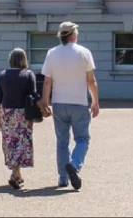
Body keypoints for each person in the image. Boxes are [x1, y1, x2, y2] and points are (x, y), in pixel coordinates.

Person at [39, 21, 99, 191]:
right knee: (82, 139)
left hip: (59, 102)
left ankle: (62, 178)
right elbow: (91, 81)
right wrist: (95, 101)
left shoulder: (52, 53)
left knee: (62, 141)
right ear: (73, 35)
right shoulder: (84, 53)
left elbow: (47, 82)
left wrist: (45, 102)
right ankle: (74, 164)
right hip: (79, 102)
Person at [0, 47, 42, 190]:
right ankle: (16, 174)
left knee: (10, 142)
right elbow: (34, 94)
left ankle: (16, 173)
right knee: (23, 141)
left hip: (7, 113)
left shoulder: (3, 75)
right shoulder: (28, 74)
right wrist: (44, 108)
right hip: (23, 113)